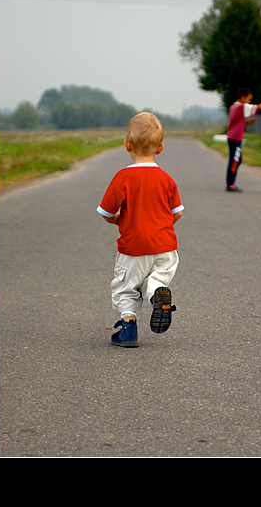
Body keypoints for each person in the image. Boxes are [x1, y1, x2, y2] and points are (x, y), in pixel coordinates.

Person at [96, 112, 184, 347]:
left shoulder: (123, 177)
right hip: (165, 245)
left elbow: (106, 213)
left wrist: (121, 220)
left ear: (127, 145)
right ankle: (157, 295)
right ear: (161, 148)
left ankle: (128, 330)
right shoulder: (167, 179)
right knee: (157, 279)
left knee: (126, 286)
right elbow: (177, 212)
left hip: (133, 247)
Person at [226, 88, 261, 191]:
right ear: (242, 97)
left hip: (232, 136)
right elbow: (260, 107)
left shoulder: (233, 106)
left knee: (237, 159)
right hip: (236, 137)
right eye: (249, 99)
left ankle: (231, 182)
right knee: (235, 160)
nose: (249, 102)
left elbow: (236, 122)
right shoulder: (241, 106)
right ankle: (230, 183)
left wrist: (248, 122)